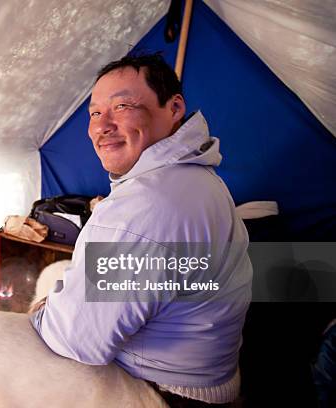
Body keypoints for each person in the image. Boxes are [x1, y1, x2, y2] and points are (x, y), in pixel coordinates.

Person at [29, 54, 253, 407]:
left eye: (122, 106)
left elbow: (75, 339)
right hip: (212, 374)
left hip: (167, 392)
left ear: (174, 107)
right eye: (94, 113)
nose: (101, 126)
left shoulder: (144, 206)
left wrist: (43, 310)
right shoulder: (199, 178)